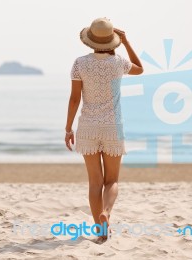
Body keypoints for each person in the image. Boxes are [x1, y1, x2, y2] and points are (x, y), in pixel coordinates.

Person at [64, 17, 143, 242]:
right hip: (112, 128)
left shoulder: (80, 63)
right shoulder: (119, 63)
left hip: (88, 128)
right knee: (112, 181)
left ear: (90, 41)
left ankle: (100, 230)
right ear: (113, 42)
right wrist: (127, 43)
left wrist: (68, 128)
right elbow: (140, 69)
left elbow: (74, 99)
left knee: (95, 182)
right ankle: (106, 213)